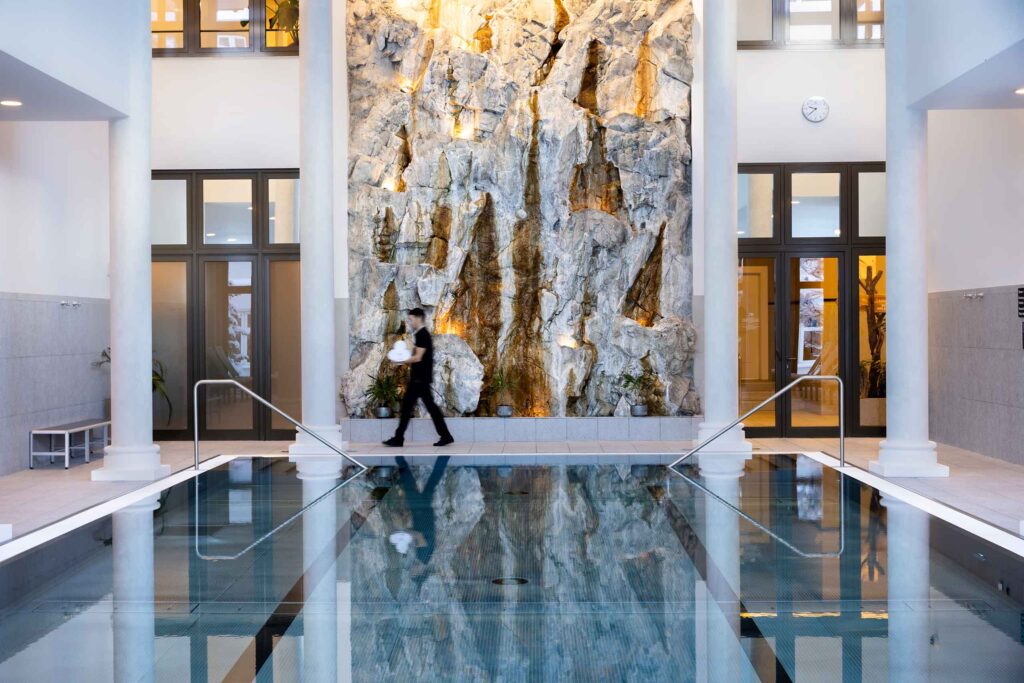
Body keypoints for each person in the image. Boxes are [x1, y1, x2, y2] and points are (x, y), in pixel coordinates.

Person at [383, 308, 454, 447]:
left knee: (413, 408)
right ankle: (445, 435)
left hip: (419, 379)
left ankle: (399, 438)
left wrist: (401, 360)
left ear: (418, 318)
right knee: (413, 407)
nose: (410, 322)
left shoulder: (422, 335)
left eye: (411, 319)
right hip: (420, 378)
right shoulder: (421, 335)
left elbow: (417, 357)